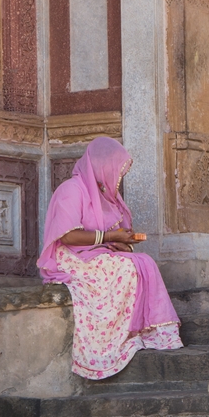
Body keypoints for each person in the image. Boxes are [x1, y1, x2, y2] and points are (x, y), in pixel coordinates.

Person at [38, 136, 183, 380]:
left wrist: (119, 243)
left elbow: (108, 237)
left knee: (144, 262)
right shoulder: (71, 190)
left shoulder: (106, 196)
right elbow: (69, 236)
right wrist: (107, 237)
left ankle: (150, 334)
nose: (117, 176)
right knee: (124, 270)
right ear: (100, 164)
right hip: (70, 256)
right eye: (114, 169)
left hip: (95, 253)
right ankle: (108, 345)